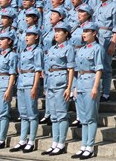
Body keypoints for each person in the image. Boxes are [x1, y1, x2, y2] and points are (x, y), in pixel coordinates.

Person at [42, 22, 75, 156]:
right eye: (55, 31)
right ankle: (54, 142)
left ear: (66, 34)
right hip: (51, 83)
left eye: (60, 31)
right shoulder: (52, 49)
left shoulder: (69, 48)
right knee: (54, 115)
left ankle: (61, 143)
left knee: (61, 114)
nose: (56, 34)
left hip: (61, 83)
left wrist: (69, 87)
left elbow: (71, 69)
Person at [72, 21, 103, 159]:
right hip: (81, 83)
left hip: (91, 83)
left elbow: (99, 69)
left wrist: (95, 87)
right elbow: (78, 70)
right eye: (83, 31)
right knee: (83, 118)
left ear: (94, 33)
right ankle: (83, 145)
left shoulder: (97, 48)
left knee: (91, 117)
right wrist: (75, 87)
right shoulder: (81, 49)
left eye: (87, 31)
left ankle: (89, 146)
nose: (84, 34)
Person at [9, 26, 43, 152]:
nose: (27, 37)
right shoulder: (23, 50)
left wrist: (35, 86)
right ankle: (22, 139)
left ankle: (31, 140)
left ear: (36, 37)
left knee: (32, 113)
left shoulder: (37, 51)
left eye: (30, 35)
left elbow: (38, 70)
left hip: (30, 82)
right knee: (23, 113)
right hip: (22, 82)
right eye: (26, 35)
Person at [93, 0, 116, 101]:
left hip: (107, 38)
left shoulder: (114, 7)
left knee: (106, 66)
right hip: (96, 37)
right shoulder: (98, 6)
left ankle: (106, 92)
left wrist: (113, 43)